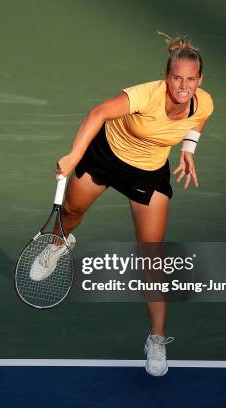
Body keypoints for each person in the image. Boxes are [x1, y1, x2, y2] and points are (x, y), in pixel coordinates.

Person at [32, 33, 213, 376]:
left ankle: (156, 340)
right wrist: (74, 154)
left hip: (147, 174)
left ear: (199, 80)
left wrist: (188, 150)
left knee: (151, 255)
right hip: (105, 157)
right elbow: (98, 112)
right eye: (177, 78)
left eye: (191, 79)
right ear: (167, 77)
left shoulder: (204, 101)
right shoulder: (144, 95)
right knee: (72, 212)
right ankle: (57, 244)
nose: (184, 85)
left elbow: (198, 121)